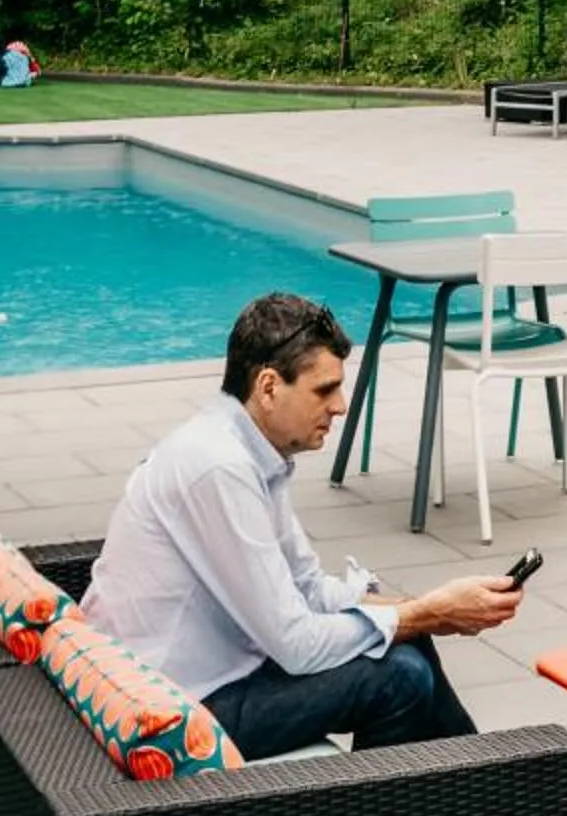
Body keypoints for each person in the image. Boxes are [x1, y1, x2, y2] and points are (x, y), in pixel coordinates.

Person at [81, 293, 527, 758]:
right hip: (167, 710)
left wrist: (430, 608)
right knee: (399, 676)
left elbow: (309, 589)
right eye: (324, 390)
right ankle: (402, 814)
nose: (341, 406)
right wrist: (428, 613)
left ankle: (476, 779)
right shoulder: (219, 467)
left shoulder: (250, 454)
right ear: (269, 387)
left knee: (409, 639)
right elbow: (294, 645)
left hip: (199, 678)